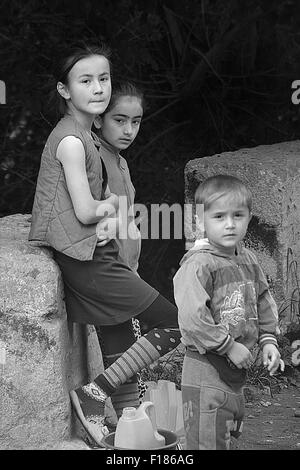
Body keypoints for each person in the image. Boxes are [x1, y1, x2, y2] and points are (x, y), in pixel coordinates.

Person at [28, 42, 181, 447]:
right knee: (173, 322)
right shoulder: (75, 142)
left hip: (96, 256)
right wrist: (113, 206)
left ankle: (130, 436)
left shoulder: (86, 137)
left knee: (122, 351)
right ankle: (95, 393)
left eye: (104, 79)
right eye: (86, 80)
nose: (98, 87)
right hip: (88, 261)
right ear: (64, 90)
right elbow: (83, 211)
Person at [173, 174, 282, 450]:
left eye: (238, 215)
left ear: (249, 218)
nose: (230, 224)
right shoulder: (198, 265)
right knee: (205, 442)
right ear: (200, 221)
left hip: (235, 377)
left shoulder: (248, 259)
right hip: (206, 370)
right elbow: (192, 319)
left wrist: (268, 340)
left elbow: (262, 299)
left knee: (227, 438)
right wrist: (228, 345)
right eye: (219, 216)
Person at [93, 81, 147, 416]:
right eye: (119, 120)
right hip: (108, 274)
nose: (129, 130)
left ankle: (131, 425)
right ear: (99, 119)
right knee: (126, 352)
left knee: (128, 355)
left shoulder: (119, 159)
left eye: (136, 121)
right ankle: (104, 403)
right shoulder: (94, 157)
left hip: (127, 272)